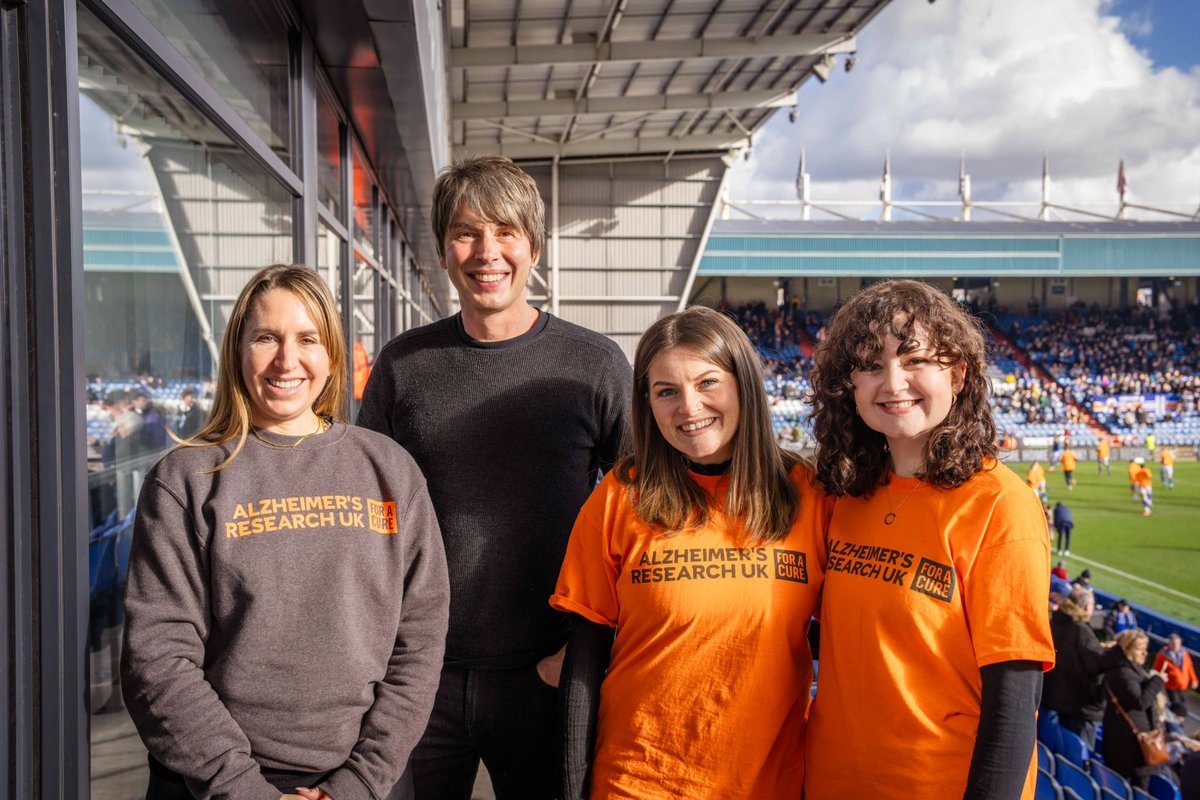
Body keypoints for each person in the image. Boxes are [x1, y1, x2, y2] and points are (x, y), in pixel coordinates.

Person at [357, 155, 633, 799]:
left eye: (505, 232)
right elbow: (367, 516)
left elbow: (644, 521)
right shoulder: (404, 365)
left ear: (532, 247)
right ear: (444, 253)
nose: (487, 252)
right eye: (466, 233)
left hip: (546, 671)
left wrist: (580, 657)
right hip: (418, 675)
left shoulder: (592, 366)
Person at [121, 264, 450, 800]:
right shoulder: (188, 479)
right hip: (214, 783)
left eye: (307, 339)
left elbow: (420, 640)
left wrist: (360, 782)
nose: (286, 360)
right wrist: (241, 788)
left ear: (331, 355)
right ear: (238, 350)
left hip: (367, 780)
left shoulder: (389, 470)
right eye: (266, 338)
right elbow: (157, 657)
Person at [551, 306, 831, 799]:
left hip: (770, 782)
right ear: (648, 405)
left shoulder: (807, 494)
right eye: (666, 392)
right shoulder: (620, 495)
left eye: (707, 383)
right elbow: (584, 662)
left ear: (743, 383)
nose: (688, 406)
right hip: (638, 781)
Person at [805, 280, 1055, 799]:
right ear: (848, 385)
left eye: (914, 359)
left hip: (938, 784)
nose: (893, 382)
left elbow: (1014, 694)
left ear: (958, 372)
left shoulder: (999, 504)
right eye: (871, 366)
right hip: (830, 779)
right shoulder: (842, 492)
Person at [1101, 629, 1171, 789]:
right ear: (1128, 649)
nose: (1144, 654)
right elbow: (1140, 701)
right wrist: (1157, 680)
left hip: (1124, 742)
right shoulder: (1122, 671)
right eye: (1140, 649)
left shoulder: (1121, 667)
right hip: (1130, 747)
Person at [1041, 586, 1109, 749]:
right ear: (1086, 607)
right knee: (1074, 754)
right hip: (1074, 706)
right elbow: (1096, 667)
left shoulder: (1055, 620)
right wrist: (1109, 654)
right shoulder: (1081, 630)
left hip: (1051, 696)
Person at [1153, 633, 1199, 718]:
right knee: (1176, 706)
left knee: (1183, 703)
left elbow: (1189, 667)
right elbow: (1156, 670)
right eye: (1173, 643)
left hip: (1183, 685)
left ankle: (1180, 719)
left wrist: (1194, 680)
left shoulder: (1184, 653)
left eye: (1177, 643)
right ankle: (1176, 721)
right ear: (1169, 643)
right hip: (1171, 686)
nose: (1175, 646)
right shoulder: (1163, 655)